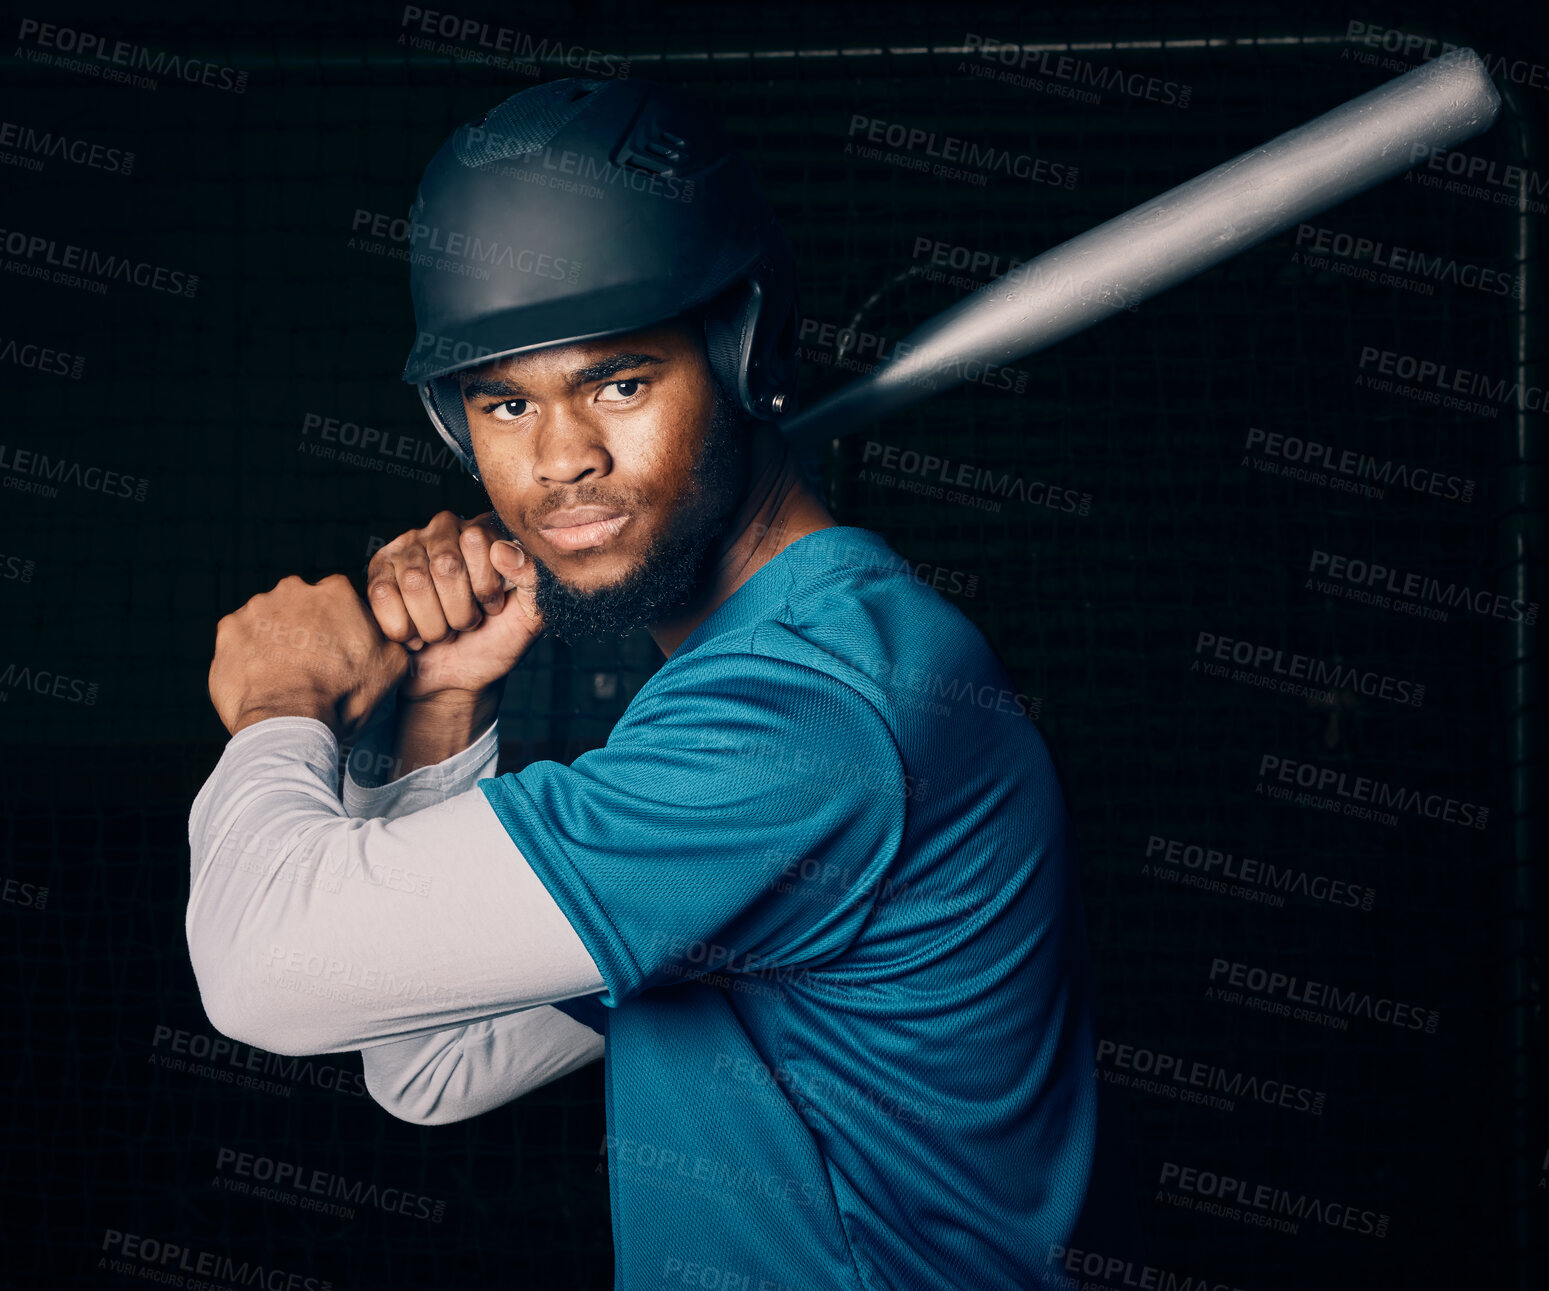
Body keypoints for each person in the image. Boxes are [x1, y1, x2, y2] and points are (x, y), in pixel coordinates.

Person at [189, 76, 1115, 1289]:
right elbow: (430, 1069)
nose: (560, 458)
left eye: (618, 381)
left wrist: (278, 707)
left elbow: (264, 974)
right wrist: (440, 709)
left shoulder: (807, 710)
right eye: (505, 401)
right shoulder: (773, 680)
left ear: (740, 352)